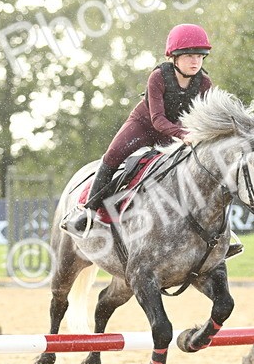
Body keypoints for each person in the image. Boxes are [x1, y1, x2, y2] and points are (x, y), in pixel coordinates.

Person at [65, 23, 213, 236]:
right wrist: (184, 134)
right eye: (189, 55)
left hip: (176, 133)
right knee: (112, 156)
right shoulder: (159, 77)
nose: (195, 61)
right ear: (174, 57)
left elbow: (205, 117)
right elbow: (158, 120)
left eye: (200, 56)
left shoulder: (205, 83)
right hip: (144, 125)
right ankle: (87, 211)